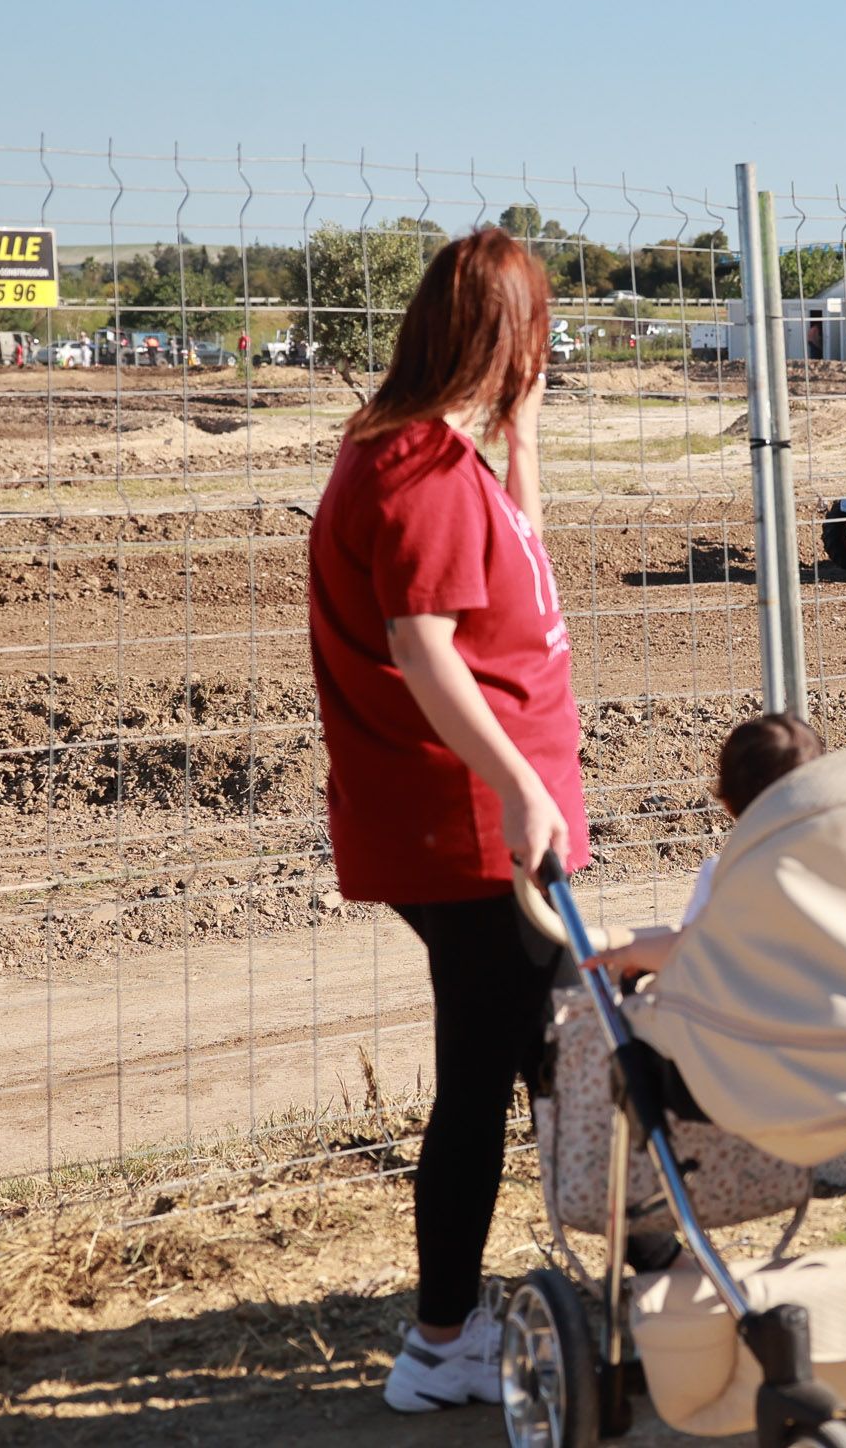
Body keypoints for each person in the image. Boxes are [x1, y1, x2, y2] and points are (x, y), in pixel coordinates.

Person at [305, 226, 588, 1413]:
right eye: (540, 333)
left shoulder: (433, 456)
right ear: (504, 338)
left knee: (544, 1045)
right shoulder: (414, 475)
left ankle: (514, 1296)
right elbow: (425, 651)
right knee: (488, 1071)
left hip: (482, 819)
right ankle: (441, 1340)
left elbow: (516, 553)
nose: (550, 352)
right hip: (474, 828)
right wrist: (522, 785)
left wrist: (523, 443)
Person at [600, 714, 823, 981]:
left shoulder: (723, 873)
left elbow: (693, 950)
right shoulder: (840, 861)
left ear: (726, 803)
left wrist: (630, 954)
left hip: (749, 1012)